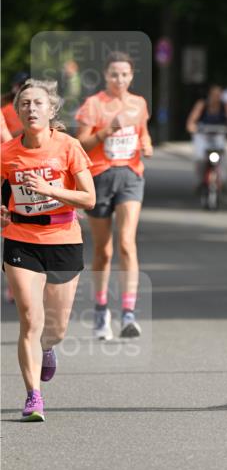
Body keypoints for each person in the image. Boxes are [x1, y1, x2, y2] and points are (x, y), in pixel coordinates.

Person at [1, 79, 95, 421]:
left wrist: (49, 190)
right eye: (24, 104)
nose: (31, 109)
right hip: (21, 240)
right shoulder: (7, 152)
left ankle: (48, 348)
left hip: (63, 239)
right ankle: (33, 397)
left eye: (38, 103)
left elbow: (89, 198)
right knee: (29, 317)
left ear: (50, 109)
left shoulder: (68, 147)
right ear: (17, 111)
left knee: (56, 327)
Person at [75, 51, 153, 339]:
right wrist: (108, 130)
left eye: (124, 74)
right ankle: (100, 309)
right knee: (103, 251)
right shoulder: (93, 105)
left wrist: (146, 144)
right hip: (99, 176)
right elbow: (81, 144)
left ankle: (129, 314)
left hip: (131, 175)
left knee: (126, 243)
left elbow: (143, 133)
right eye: (114, 74)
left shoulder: (139, 104)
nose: (119, 79)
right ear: (106, 76)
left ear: (131, 76)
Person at [186, 83, 227, 187]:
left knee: (223, 157)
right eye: (214, 95)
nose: (216, 97)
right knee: (200, 158)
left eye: (219, 95)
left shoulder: (225, 107)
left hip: (219, 135)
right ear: (210, 95)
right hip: (203, 136)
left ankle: (222, 180)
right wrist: (193, 128)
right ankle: (200, 180)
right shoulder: (202, 105)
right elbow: (191, 122)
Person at [1, 71, 29, 139]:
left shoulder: (37, 107)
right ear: (14, 87)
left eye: (27, 85)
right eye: (21, 84)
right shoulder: (5, 109)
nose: (25, 88)